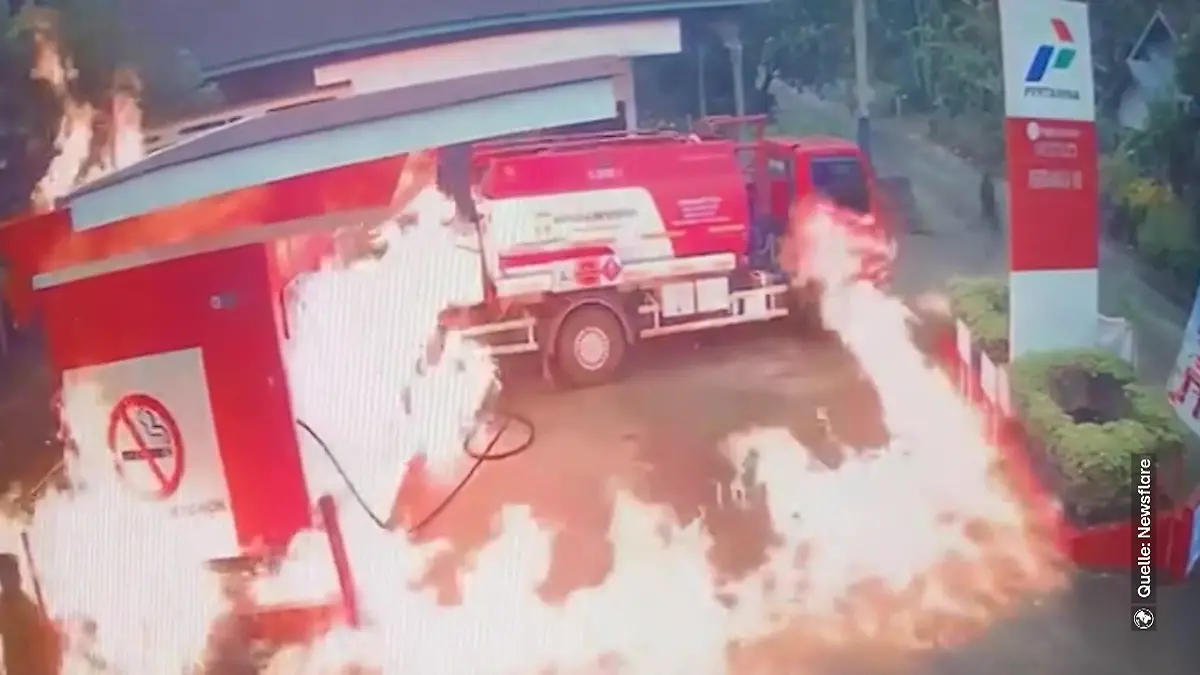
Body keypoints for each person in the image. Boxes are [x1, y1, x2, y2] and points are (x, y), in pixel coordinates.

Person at [0, 553, 60, 675]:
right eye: (2, 576)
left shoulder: (29, 610)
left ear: (18, 577)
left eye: (8, 574)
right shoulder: (5, 605)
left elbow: (45, 651)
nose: (4, 581)